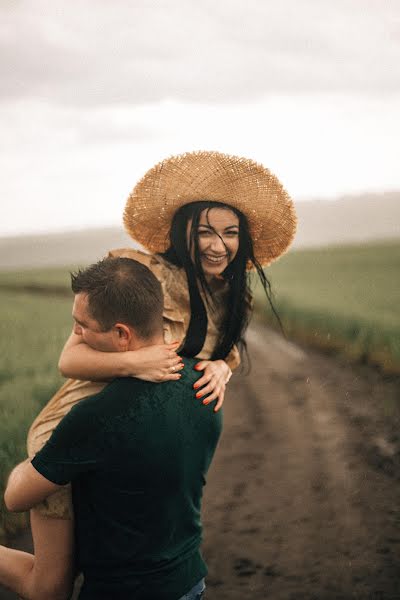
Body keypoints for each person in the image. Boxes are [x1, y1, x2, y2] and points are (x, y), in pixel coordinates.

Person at [4, 256, 223, 599]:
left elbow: (16, 498)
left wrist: (30, 462)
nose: (75, 334)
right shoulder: (206, 385)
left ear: (122, 334)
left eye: (81, 325)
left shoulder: (97, 416)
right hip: (189, 581)